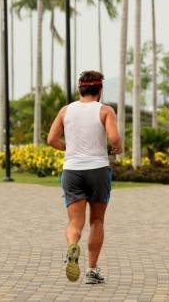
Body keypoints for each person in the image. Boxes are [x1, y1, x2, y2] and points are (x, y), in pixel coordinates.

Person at [47, 71, 122, 284]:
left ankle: (72, 245)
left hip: (72, 171)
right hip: (98, 169)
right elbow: (114, 137)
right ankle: (91, 270)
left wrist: (69, 148)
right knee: (97, 220)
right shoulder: (105, 110)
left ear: (80, 89)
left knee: (74, 222)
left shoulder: (65, 110)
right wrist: (117, 147)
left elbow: (51, 139)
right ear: (99, 90)